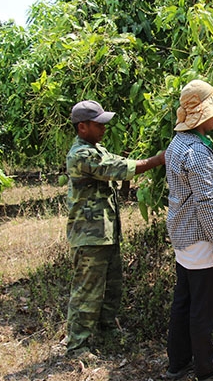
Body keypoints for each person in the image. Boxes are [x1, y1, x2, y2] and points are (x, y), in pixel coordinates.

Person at [65, 100, 165, 357]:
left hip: (106, 233)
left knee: (111, 286)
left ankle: (106, 330)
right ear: (82, 127)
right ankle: (78, 345)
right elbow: (120, 168)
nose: (103, 129)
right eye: (98, 124)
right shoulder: (81, 155)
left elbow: (118, 161)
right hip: (89, 236)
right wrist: (158, 160)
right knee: (87, 291)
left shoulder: (97, 149)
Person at [164, 79, 213, 381]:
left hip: (182, 235)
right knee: (203, 307)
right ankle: (207, 368)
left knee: (183, 299)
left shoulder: (176, 145)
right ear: (203, 116)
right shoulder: (197, 152)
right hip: (199, 238)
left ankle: (178, 362)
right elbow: (207, 204)